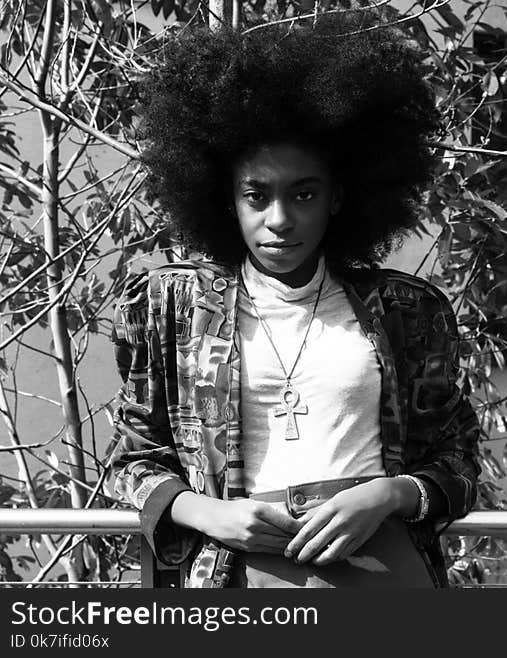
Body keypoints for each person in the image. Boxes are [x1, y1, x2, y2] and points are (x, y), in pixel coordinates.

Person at [108, 13, 481, 588]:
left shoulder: (408, 311)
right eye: (257, 195)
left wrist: (390, 494)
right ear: (225, 200)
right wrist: (208, 513)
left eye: (304, 194)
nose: (279, 219)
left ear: (338, 198)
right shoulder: (170, 307)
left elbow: (457, 461)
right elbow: (131, 459)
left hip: (383, 571)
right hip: (234, 574)